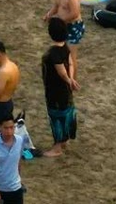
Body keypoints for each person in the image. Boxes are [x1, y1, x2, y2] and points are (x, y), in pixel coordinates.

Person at [39, 19, 77, 156]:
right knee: (67, 112)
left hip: (55, 90)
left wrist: (68, 79)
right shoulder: (65, 48)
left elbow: (61, 71)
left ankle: (57, 147)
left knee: (56, 116)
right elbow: (70, 64)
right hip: (65, 89)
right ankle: (65, 140)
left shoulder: (53, 53)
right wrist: (71, 80)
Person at [0, 113, 26, 204]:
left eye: (12, 127)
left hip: (15, 189)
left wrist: (19, 180)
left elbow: (18, 161)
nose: (9, 132)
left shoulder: (20, 140)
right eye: (6, 128)